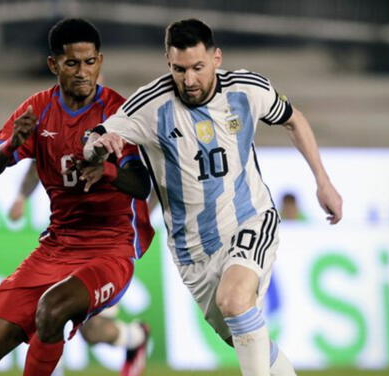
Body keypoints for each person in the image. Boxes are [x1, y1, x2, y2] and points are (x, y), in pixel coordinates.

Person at [83, 19, 343, 376]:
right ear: (167, 62)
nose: (188, 80)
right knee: (247, 339)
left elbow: (293, 120)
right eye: (179, 69)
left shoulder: (247, 89)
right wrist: (98, 148)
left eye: (197, 68)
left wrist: (323, 181)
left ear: (216, 58)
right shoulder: (150, 104)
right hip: (192, 250)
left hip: (249, 219)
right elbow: (94, 138)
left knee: (235, 300)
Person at [0, 18, 154, 376]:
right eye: (72, 63)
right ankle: (131, 339)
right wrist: (10, 146)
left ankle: (131, 338)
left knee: (53, 309)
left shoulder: (119, 113)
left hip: (109, 250)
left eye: (90, 62)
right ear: (54, 65)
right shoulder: (38, 109)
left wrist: (108, 171)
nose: (83, 72)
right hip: (56, 247)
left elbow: (142, 184)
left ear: (100, 61)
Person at [7, 161, 151, 376]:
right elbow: (40, 159)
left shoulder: (114, 134)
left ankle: (135, 337)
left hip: (106, 245)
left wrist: (144, 214)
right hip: (65, 243)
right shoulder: (53, 132)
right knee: (47, 313)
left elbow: (152, 172)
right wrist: (21, 197)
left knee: (92, 331)